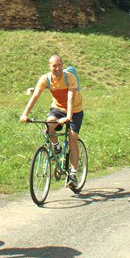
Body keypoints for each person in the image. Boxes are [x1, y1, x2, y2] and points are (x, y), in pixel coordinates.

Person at [20, 54, 84, 189]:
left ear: (62, 65)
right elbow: (35, 96)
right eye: (54, 65)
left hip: (75, 110)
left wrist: (68, 116)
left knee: (72, 138)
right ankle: (56, 147)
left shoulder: (70, 78)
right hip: (57, 108)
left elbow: (71, 97)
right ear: (49, 67)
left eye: (60, 65)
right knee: (49, 124)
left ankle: (73, 174)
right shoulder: (45, 79)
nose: (57, 68)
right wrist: (25, 114)